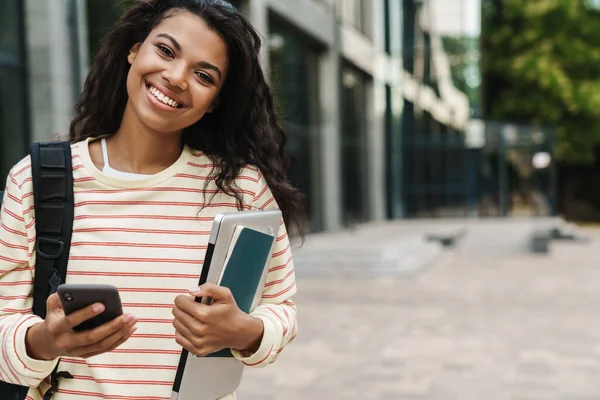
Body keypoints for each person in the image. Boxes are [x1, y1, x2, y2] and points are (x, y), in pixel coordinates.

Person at [0, 0, 303, 399]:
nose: (176, 77)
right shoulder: (36, 181)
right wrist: (47, 341)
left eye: (203, 75)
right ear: (133, 49)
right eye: (165, 50)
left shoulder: (241, 188)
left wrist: (245, 331)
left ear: (214, 100)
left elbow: (281, 308)